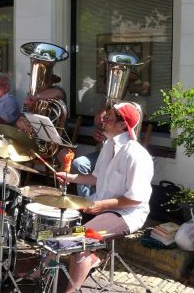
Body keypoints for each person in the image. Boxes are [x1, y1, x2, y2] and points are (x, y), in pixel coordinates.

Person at [55, 102, 154, 292]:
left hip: (125, 214)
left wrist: (101, 205)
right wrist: (70, 177)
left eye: (108, 118)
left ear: (123, 125)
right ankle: (42, 271)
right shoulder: (108, 145)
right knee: (58, 230)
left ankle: (70, 289)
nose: (102, 120)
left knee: (80, 239)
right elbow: (95, 178)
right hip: (101, 206)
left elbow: (136, 198)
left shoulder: (136, 155)